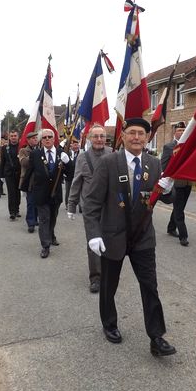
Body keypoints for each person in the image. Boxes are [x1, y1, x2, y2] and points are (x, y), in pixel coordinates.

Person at [83, 117, 176, 356]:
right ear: (123, 136)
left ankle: (157, 337)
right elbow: (92, 201)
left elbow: (165, 199)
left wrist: (167, 188)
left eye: (141, 134)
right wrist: (93, 235)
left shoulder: (154, 164)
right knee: (108, 285)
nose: (136, 138)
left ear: (147, 138)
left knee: (150, 287)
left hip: (143, 237)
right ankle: (109, 323)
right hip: (112, 236)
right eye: (132, 133)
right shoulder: (108, 163)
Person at [67, 124, 113, 293]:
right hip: (90, 208)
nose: (99, 139)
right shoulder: (82, 158)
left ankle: (108, 272)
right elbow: (76, 181)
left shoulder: (112, 154)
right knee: (93, 242)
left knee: (109, 240)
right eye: (96, 136)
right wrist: (71, 205)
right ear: (89, 138)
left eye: (102, 136)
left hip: (110, 207)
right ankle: (95, 277)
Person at [30, 129, 72, 258]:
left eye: (49, 137)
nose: (47, 139)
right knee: (44, 219)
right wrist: (25, 189)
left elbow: (71, 173)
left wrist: (68, 162)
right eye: (44, 137)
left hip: (56, 194)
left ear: (54, 139)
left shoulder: (62, 153)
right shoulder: (36, 154)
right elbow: (30, 172)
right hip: (40, 193)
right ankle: (45, 246)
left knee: (53, 217)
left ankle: (51, 234)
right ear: (41, 140)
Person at [161, 121, 192, 246]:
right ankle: (183, 236)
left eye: (184, 130)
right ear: (175, 132)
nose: (182, 132)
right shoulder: (169, 147)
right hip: (175, 184)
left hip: (187, 183)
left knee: (180, 208)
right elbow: (163, 165)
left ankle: (171, 227)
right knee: (179, 210)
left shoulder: (188, 145)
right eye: (179, 130)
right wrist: (164, 181)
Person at [18, 131, 39, 233]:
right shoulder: (23, 151)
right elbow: (23, 163)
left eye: (36, 138)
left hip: (39, 179)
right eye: (33, 138)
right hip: (28, 180)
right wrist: (34, 156)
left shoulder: (40, 150)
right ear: (29, 140)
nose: (36, 140)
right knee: (30, 202)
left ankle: (35, 219)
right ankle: (30, 223)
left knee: (38, 202)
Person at [1, 130, 22, 220]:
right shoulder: (5, 148)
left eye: (15, 136)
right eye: (12, 136)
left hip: (19, 173)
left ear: (18, 137)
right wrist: (1, 175)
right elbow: (2, 162)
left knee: (18, 193)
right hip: (9, 174)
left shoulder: (21, 147)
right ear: (9, 137)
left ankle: (17, 209)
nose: (13, 137)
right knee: (11, 193)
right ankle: (12, 212)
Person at [64, 137, 80, 208]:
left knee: (79, 190)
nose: (76, 146)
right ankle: (68, 204)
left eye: (77, 144)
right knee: (68, 191)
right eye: (74, 145)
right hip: (69, 175)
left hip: (78, 175)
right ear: (71, 146)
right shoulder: (67, 153)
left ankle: (80, 205)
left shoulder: (81, 153)